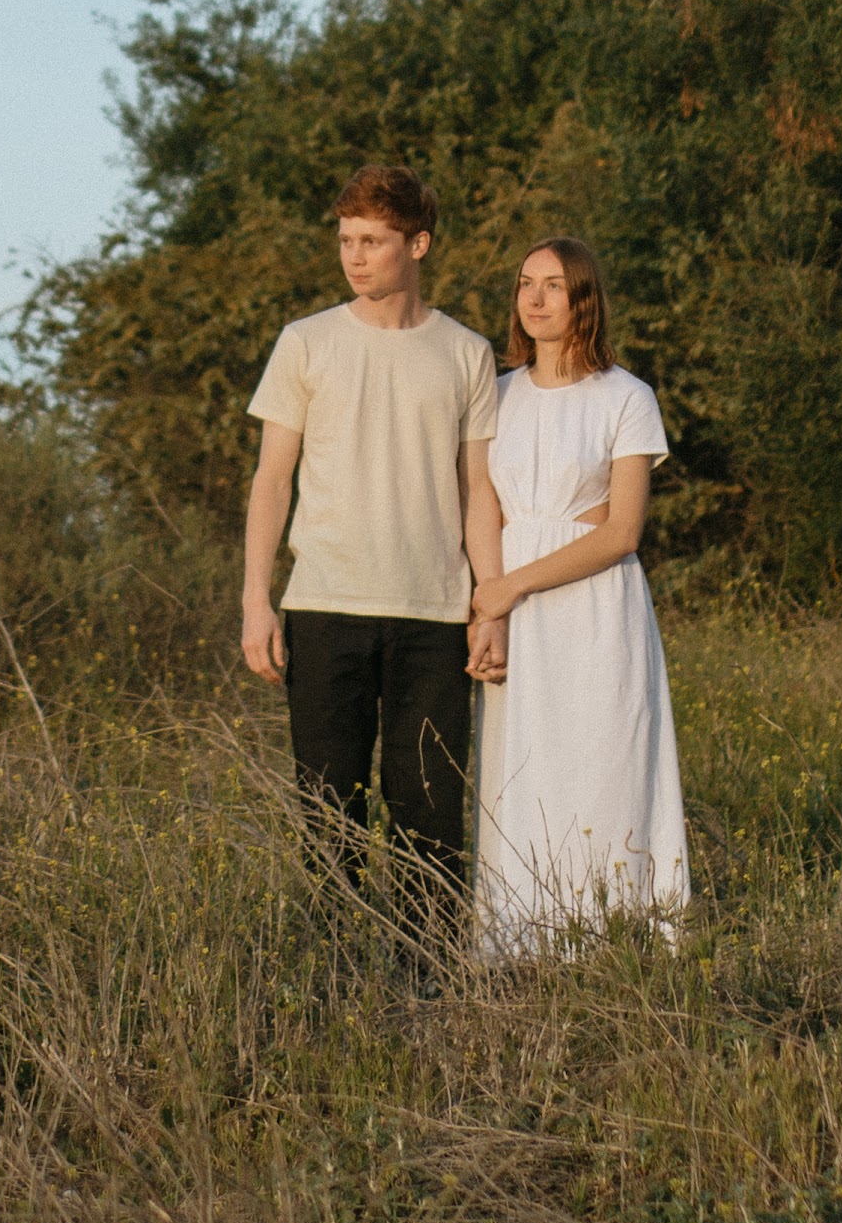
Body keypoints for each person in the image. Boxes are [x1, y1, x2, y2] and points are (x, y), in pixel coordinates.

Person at [240, 163, 503, 922]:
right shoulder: (306, 342)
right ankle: (336, 979)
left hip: (434, 612)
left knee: (430, 810)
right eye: (346, 239)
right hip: (325, 603)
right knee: (328, 810)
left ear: (417, 244)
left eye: (374, 240)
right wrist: (257, 601)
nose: (355, 256)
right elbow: (271, 479)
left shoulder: (466, 352)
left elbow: (475, 489)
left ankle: (430, 986)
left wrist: (488, 605)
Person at [464, 234, 687, 955]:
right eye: (525, 282)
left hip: (595, 607)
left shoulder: (626, 396)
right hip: (509, 605)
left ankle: (615, 936)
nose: (533, 297)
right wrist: (488, 609)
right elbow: (482, 508)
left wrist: (507, 586)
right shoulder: (494, 395)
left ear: (583, 296)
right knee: (522, 769)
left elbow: (621, 529)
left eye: (553, 285)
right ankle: (520, 942)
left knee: (604, 756)